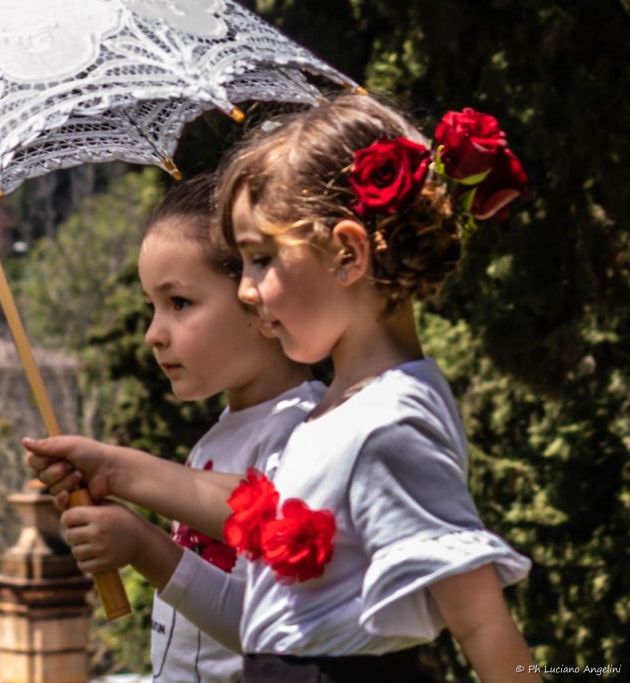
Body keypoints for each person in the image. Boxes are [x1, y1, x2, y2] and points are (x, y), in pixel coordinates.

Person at [27, 93, 539, 683]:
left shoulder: (391, 420)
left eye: (261, 259)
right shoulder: (347, 408)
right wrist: (115, 472)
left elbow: (479, 620)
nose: (246, 291)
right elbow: (273, 542)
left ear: (346, 254)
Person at [53, 173, 322, 682]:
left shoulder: (304, 433)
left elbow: (269, 629)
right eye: (151, 307)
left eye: (179, 303)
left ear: (259, 297)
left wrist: (143, 546)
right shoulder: (221, 435)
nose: (153, 334)